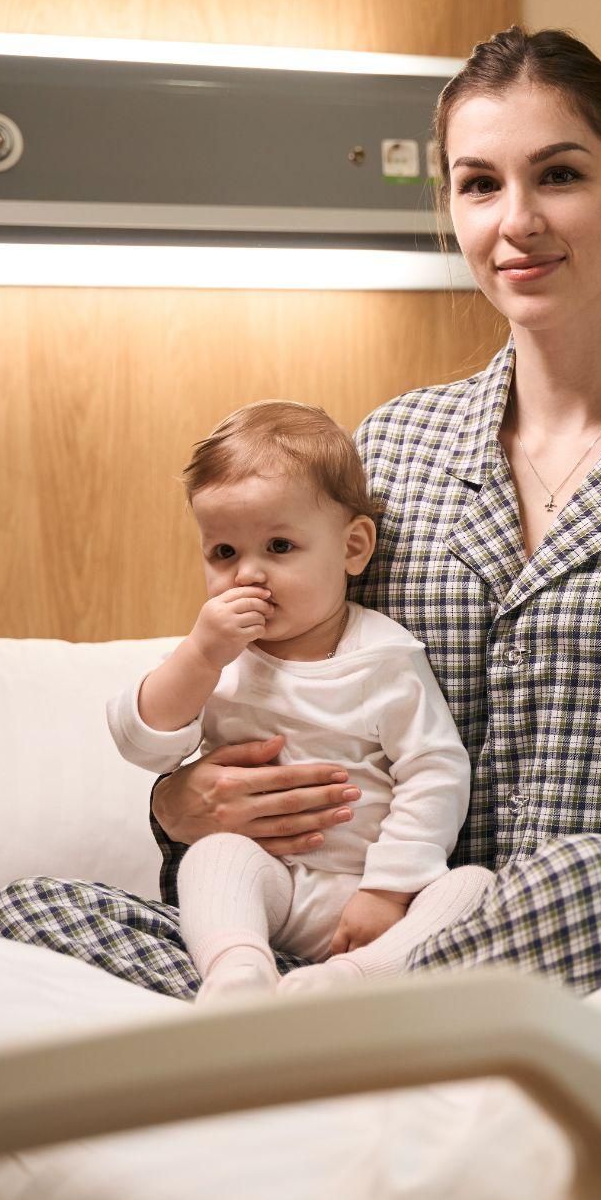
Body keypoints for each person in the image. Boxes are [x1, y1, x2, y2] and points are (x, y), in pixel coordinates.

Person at [0, 25, 601, 998]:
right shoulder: (394, 451)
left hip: (600, 963)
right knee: (19, 913)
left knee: (594, 880)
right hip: (348, 932)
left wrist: (571, 922)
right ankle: (314, 1026)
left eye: (558, 175)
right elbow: (280, 692)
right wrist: (183, 807)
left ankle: (305, 1038)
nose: (515, 220)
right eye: (479, 184)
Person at [107, 401, 484, 1004]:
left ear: (353, 548)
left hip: (374, 896)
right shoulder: (219, 658)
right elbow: (142, 739)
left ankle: (344, 984)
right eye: (223, 553)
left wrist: (387, 892)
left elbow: (434, 771)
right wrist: (201, 655)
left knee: (473, 888)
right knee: (214, 856)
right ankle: (237, 973)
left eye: (279, 546)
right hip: (270, 886)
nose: (247, 574)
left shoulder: (384, 657)